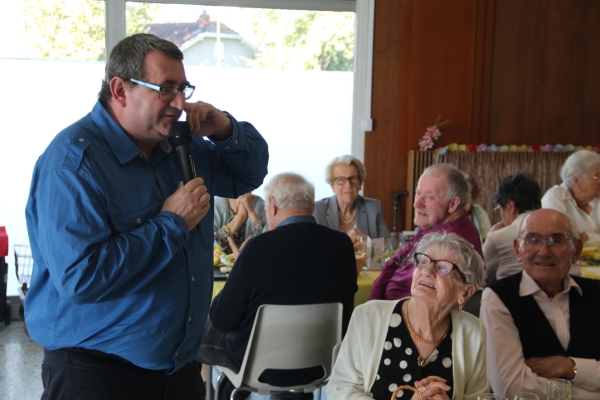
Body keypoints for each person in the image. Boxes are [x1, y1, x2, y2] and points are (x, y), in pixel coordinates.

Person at [24, 33, 268, 399]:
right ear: (120, 90)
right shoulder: (71, 165)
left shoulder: (181, 145)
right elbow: (81, 279)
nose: (181, 102)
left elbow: (248, 175)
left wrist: (225, 130)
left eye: (184, 88)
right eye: (166, 89)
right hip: (97, 374)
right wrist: (171, 224)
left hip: (179, 369)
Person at [198, 172, 358, 400]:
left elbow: (223, 320)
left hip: (256, 363)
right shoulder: (342, 245)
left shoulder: (258, 247)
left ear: (271, 205)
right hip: (320, 363)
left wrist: (238, 271)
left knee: (192, 332)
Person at [327, 232, 489, 400]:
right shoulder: (368, 317)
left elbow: (480, 397)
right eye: (424, 262)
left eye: (442, 267)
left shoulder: (473, 332)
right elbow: (339, 389)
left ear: (465, 292)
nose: (427, 271)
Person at [480, 209, 600, 399]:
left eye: (556, 240)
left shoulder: (596, 293)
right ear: (517, 250)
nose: (544, 251)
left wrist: (570, 367)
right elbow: (511, 387)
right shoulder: (498, 297)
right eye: (533, 240)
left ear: (576, 251)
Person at [370, 164, 483, 300]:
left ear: (453, 204)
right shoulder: (434, 228)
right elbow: (393, 263)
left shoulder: (452, 243)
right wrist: (374, 303)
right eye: (418, 193)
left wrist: (377, 308)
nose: (417, 203)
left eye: (430, 197)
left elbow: (425, 301)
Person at [314, 155, 390, 240]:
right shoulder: (317, 210)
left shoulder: (373, 207)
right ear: (332, 185)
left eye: (353, 178)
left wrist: (365, 242)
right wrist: (345, 245)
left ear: (360, 184)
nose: (348, 185)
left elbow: (389, 245)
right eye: (340, 179)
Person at [484, 173, 542, 284]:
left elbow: (480, 278)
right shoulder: (557, 228)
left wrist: (492, 236)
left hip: (512, 299)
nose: (501, 216)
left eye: (500, 209)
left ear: (510, 206)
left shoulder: (498, 237)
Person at [542, 149, 600, 245]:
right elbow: (561, 238)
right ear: (576, 180)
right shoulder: (554, 198)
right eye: (597, 176)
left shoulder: (596, 197)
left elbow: (578, 237)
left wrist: (586, 236)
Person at [464, 173, 491, 242]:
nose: (464, 198)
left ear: (473, 197)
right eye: (460, 193)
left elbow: (488, 239)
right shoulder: (445, 216)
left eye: (468, 193)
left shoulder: (479, 214)